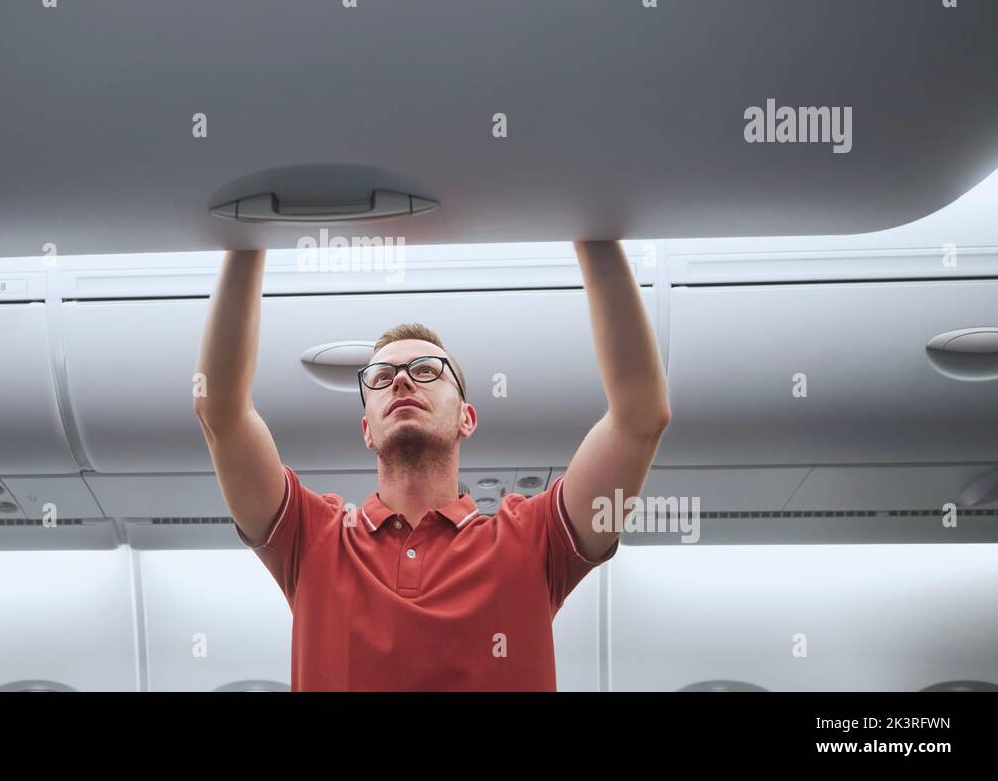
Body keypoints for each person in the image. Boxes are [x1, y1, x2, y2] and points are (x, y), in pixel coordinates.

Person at [193, 241, 670, 690]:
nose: (401, 381)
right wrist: (247, 240)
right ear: (367, 429)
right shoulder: (312, 537)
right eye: (381, 377)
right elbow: (222, 412)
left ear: (467, 417)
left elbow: (639, 418)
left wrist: (592, 233)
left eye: (425, 371)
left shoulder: (532, 538)